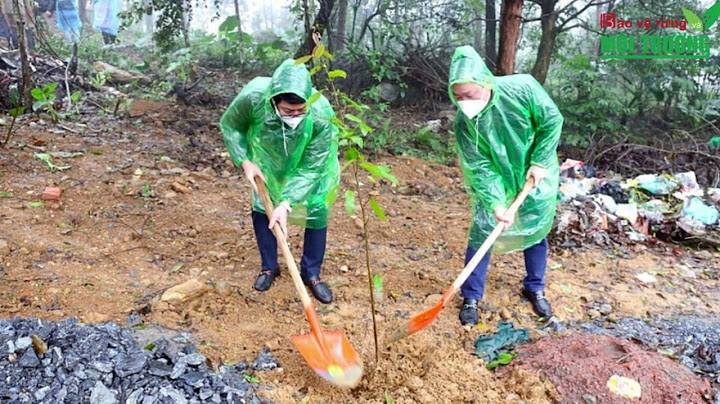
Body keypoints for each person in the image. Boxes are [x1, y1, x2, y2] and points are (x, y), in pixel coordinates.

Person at [447, 45, 563, 325]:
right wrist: (497, 204)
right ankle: (471, 296)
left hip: (535, 173)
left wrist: (539, 161)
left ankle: (534, 287)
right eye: (458, 96)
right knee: (483, 230)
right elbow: (480, 167)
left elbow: (551, 120)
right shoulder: (465, 123)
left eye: (470, 95)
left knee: (535, 229)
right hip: (498, 178)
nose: (464, 102)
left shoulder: (522, 88)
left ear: (485, 82)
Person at [220, 59, 340, 304]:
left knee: (316, 210)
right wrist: (245, 160)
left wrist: (286, 204)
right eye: (288, 110)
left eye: (300, 110)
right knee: (263, 208)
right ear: (274, 101)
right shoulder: (253, 99)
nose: (295, 115)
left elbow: (311, 167)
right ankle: (269, 267)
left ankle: (311, 272)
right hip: (267, 163)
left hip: (311, 166)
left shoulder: (320, 114)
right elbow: (231, 125)